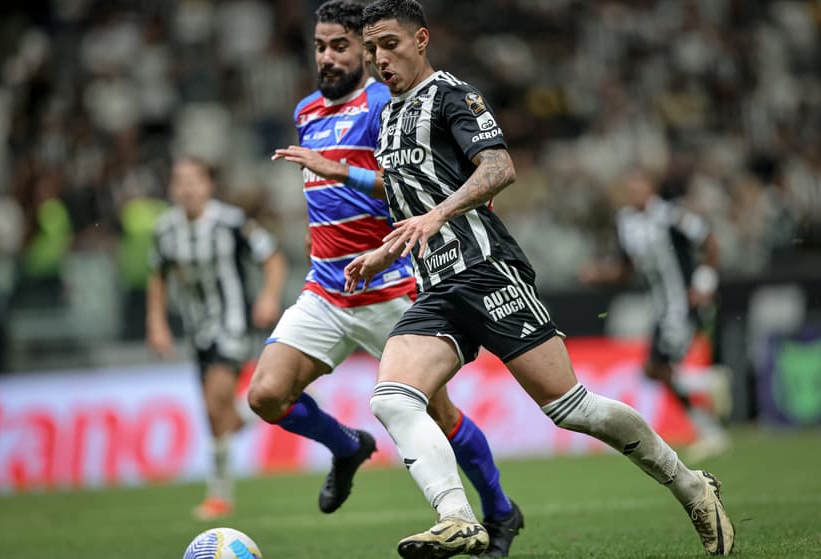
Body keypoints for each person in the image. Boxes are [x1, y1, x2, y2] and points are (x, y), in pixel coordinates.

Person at [344, 1, 735, 557]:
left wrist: (439, 215)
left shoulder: (454, 94)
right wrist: (384, 254)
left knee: (572, 408)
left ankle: (691, 485)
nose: (379, 58)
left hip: (487, 271)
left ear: (421, 39)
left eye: (389, 43)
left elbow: (500, 167)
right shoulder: (387, 116)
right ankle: (457, 517)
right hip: (436, 287)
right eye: (371, 49)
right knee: (393, 398)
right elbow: (415, 199)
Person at [247, 3, 524, 556]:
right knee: (266, 394)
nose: (328, 57)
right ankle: (347, 447)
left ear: (367, 52)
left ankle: (499, 510)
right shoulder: (306, 110)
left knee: (438, 415)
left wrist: (342, 175)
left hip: (390, 285)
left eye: (341, 46)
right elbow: (323, 192)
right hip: (326, 286)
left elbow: (403, 182)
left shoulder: (384, 104)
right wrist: (316, 231)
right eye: (320, 46)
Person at [147, 156, 287, 520]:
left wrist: (269, 296)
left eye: (194, 180)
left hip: (234, 324)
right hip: (197, 331)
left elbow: (272, 257)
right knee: (218, 418)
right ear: (172, 188)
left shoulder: (231, 222)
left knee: (215, 405)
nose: (187, 188)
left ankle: (218, 495)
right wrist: (157, 322)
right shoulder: (165, 229)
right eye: (179, 181)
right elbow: (157, 275)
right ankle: (282, 399)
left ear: (208, 185)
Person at [579, 169, 730, 462]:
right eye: (630, 186)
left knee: (657, 367)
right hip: (661, 305)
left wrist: (704, 283)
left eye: (640, 185)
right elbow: (625, 269)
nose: (635, 192)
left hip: (682, 302)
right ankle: (711, 404)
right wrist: (599, 273)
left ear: (652, 188)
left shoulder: (672, 215)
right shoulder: (626, 222)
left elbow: (710, 243)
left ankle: (711, 404)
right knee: (655, 370)